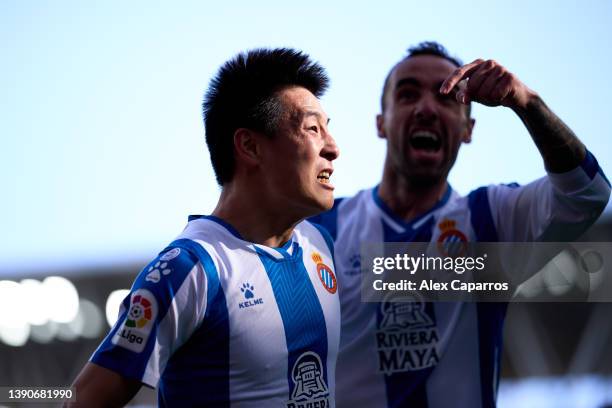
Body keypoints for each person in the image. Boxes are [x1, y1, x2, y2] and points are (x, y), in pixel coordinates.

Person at [309, 42, 610, 407]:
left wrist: (526, 102)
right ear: (381, 123)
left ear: (468, 129)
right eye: (407, 95)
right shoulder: (322, 229)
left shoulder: (492, 220)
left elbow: (587, 193)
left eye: (447, 98)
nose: (425, 109)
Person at [67, 48, 341, 407]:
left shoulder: (323, 239)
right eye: (312, 129)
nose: (333, 148)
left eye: (328, 129)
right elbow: (83, 401)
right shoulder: (188, 271)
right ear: (249, 146)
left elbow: (427, 273)